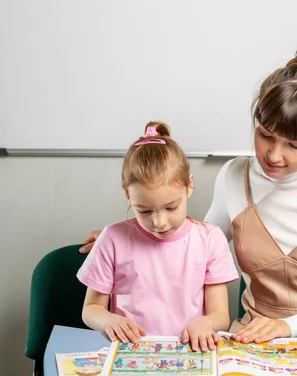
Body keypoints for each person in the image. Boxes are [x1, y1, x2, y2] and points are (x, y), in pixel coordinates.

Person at [81, 45, 297, 344]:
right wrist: (127, 239)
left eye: (294, 145)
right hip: (258, 343)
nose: (274, 156)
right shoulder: (234, 176)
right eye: (265, 135)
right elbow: (195, 245)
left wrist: (288, 327)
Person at [77, 121, 239, 352]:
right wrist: (110, 320)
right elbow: (91, 309)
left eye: (171, 208)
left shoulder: (210, 239)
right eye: (144, 211)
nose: (159, 222)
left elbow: (220, 315)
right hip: (130, 353)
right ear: (127, 193)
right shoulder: (112, 239)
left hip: (189, 353)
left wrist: (207, 322)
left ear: (189, 186)